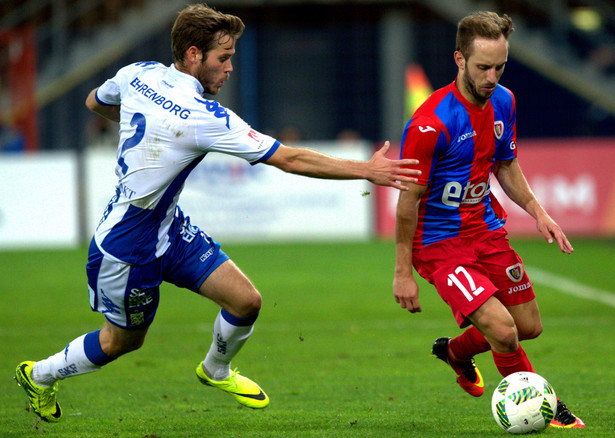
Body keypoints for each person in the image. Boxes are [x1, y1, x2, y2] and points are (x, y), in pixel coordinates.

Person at [15, 4, 420, 423]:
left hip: (167, 229)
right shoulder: (201, 117)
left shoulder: (140, 73)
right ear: (193, 55)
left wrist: (142, 121)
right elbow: (290, 159)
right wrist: (367, 171)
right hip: (126, 247)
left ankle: (216, 369)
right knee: (122, 342)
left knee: (246, 301)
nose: (229, 68)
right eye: (222, 58)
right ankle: (40, 375)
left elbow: (94, 101)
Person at [393, 11, 585, 429]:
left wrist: (539, 211)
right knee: (502, 329)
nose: (492, 76)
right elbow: (408, 201)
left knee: (526, 326)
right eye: (483, 67)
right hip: (440, 245)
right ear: (459, 59)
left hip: (485, 230)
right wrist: (403, 271)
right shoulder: (431, 123)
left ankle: (456, 352)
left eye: (500, 66)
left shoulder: (505, 100)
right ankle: (545, 405)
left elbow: (506, 165)